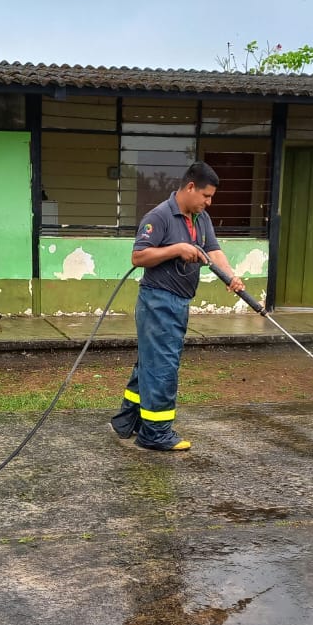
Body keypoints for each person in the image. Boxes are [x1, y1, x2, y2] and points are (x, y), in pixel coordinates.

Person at [111, 161, 245, 451]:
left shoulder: (201, 218)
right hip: (158, 301)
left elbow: (213, 251)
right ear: (191, 187)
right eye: (206, 196)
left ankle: (127, 420)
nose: (208, 203)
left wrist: (231, 276)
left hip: (179, 301)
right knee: (162, 366)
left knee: (150, 362)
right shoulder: (159, 216)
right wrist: (177, 249)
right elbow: (138, 257)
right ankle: (155, 433)